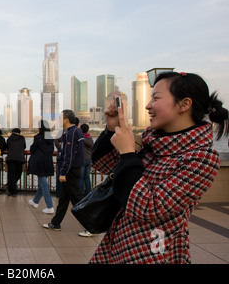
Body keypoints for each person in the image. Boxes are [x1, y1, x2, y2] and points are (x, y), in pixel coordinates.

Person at [90, 72, 228, 264]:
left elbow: (149, 208)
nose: (148, 105)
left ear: (184, 104)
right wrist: (112, 129)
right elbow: (103, 164)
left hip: (154, 253)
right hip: (119, 244)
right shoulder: (153, 142)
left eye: (156, 98)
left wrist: (128, 154)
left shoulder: (201, 158)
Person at [43, 110, 85, 232]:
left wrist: (63, 172)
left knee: (77, 199)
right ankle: (55, 223)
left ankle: (91, 226)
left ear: (66, 119)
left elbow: (69, 155)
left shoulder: (71, 133)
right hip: (74, 169)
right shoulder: (75, 132)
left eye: (61, 117)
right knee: (64, 198)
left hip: (71, 171)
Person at [27, 120, 55, 214]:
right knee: (42, 183)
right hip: (48, 162)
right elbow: (51, 150)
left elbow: (32, 149)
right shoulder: (50, 138)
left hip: (39, 163)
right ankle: (35, 201)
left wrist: (33, 143)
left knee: (43, 184)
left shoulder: (38, 137)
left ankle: (50, 206)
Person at [5, 128, 26, 196]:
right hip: (19, 158)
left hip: (10, 158)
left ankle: (11, 188)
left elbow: (7, 147)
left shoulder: (9, 139)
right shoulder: (22, 139)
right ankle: (12, 190)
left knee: (11, 175)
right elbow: (24, 147)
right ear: (19, 133)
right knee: (18, 174)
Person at [79, 123, 93, 198]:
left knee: (81, 177)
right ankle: (88, 193)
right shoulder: (90, 138)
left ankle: (81, 193)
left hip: (82, 159)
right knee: (87, 177)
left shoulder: (81, 138)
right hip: (89, 159)